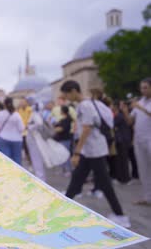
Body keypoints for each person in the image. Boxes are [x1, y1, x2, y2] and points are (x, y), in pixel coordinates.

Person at [61, 80, 130, 228]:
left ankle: (121, 216)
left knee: (104, 183)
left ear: (73, 90)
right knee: (76, 180)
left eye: (67, 94)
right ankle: (62, 208)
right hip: (91, 150)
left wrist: (77, 153)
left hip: (93, 150)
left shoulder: (85, 105)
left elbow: (86, 129)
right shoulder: (89, 103)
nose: (66, 97)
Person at [122, 77, 151, 206]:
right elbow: (130, 121)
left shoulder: (141, 105)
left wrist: (139, 107)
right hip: (139, 140)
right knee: (143, 170)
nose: (142, 90)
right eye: (141, 88)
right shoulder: (141, 101)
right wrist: (125, 111)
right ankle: (147, 197)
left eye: (145, 87)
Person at [0, 97, 24, 165]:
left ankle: (7, 174)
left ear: (4, 104)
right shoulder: (16, 115)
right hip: (17, 139)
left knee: (6, 160)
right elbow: (21, 128)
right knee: (17, 159)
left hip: (3, 138)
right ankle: (17, 174)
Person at [112, 101, 132, 184]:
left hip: (122, 140)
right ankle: (121, 178)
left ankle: (125, 179)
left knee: (123, 160)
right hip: (120, 140)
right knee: (120, 160)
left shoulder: (119, 116)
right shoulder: (118, 115)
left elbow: (113, 124)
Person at [25, 102, 46, 181]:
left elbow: (39, 124)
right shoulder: (37, 114)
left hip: (34, 139)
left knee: (37, 159)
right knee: (36, 159)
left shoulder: (35, 114)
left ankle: (40, 178)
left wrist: (29, 127)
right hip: (33, 139)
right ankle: (40, 177)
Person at [54, 105, 73, 176]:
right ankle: (63, 169)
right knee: (61, 155)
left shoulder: (67, 119)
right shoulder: (63, 119)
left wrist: (55, 129)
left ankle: (68, 170)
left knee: (66, 155)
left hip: (65, 139)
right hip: (61, 139)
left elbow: (63, 128)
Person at [18, 98, 32, 164]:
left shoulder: (30, 109)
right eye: (21, 102)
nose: (22, 103)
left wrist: (28, 125)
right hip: (22, 131)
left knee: (28, 146)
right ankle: (28, 158)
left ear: (26, 102)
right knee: (25, 146)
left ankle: (30, 159)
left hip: (29, 130)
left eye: (23, 102)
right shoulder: (19, 110)